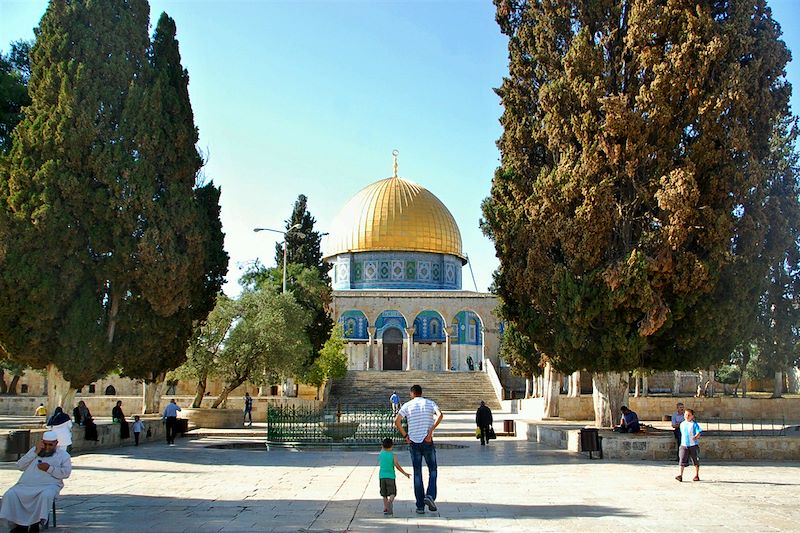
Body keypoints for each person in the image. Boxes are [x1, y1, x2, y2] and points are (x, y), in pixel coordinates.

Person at [0, 431, 72, 532]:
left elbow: (65, 473)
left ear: (56, 443)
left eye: (50, 444)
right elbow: (20, 466)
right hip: (27, 484)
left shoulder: (63, 455)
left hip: (49, 485)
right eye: (45, 443)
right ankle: (19, 525)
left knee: (45, 495)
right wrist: (35, 452)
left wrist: (49, 468)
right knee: (10, 494)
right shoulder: (35, 451)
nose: (47, 447)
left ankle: (35, 524)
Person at [394, 384, 443, 515]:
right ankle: (430, 496)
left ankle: (420, 506)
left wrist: (405, 436)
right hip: (427, 441)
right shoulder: (429, 403)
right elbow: (440, 415)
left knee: (417, 473)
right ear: (421, 393)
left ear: (412, 394)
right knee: (432, 470)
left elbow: (397, 421)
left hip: (414, 442)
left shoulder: (407, 405)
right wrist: (431, 431)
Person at [378, 437, 410, 516]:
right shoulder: (393, 455)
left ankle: (386, 507)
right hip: (391, 477)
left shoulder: (381, 453)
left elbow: (382, 448)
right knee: (393, 493)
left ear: (382, 446)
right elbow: (397, 466)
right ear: (392, 446)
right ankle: (390, 502)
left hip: (382, 476)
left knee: (384, 494)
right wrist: (405, 473)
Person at [676, 408, 703, 482]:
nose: (687, 416)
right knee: (682, 460)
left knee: (695, 460)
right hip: (684, 445)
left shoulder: (694, 424)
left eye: (688, 415)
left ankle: (696, 474)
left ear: (692, 416)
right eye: (685, 414)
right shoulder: (682, 424)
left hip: (693, 445)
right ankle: (680, 475)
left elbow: (699, 432)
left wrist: (697, 436)